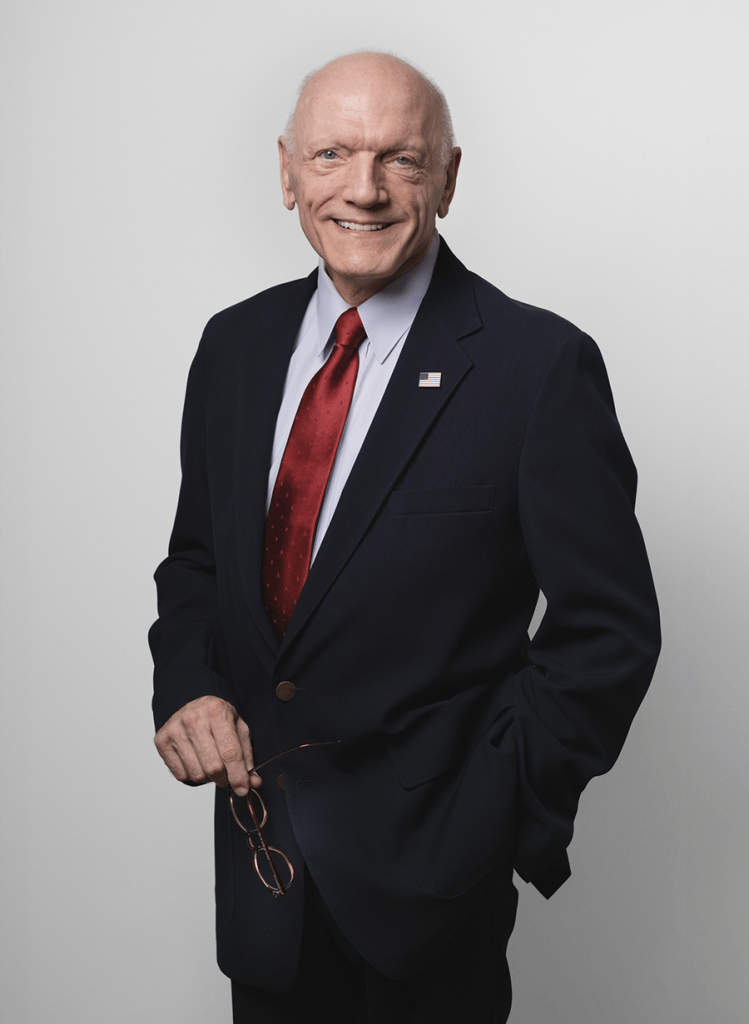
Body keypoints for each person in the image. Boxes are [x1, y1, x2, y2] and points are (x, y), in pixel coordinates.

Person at [149, 51, 661, 1024]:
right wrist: (190, 685)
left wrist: (487, 814)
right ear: (287, 170)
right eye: (331, 154)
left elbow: (608, 633)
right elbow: (198, 564)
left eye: (399, 158)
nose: (364, 188)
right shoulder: (234, 347)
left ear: (447, 179)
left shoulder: (535, 365)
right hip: (263, 876)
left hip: (431, 896)